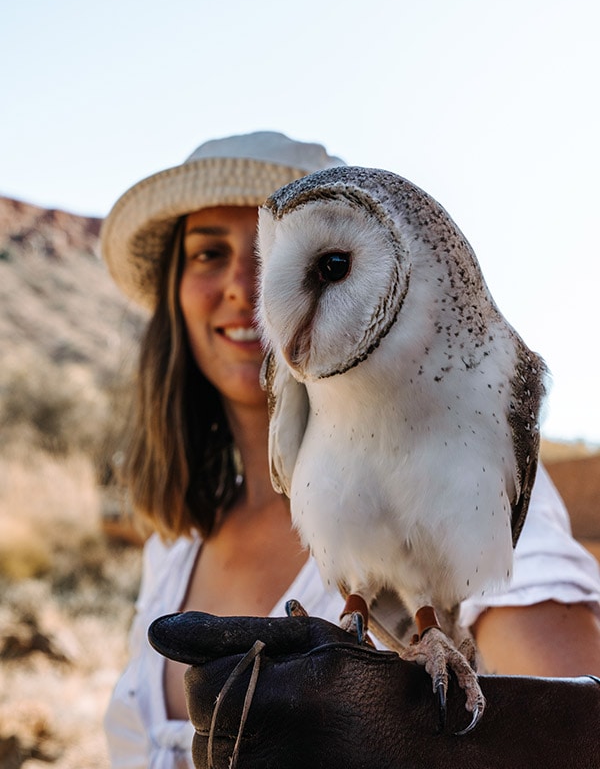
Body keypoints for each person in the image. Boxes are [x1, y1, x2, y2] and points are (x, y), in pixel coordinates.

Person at [100, 131, 600, 769]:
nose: (246, 287)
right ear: (174, 288)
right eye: (206, 253)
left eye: (324, 263)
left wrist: (435, 744)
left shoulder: (478, 424)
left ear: (401, 255)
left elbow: (575, 734)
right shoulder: (176, 543)